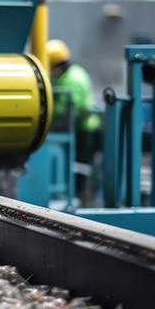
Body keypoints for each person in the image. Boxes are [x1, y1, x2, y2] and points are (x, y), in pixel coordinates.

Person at [47, 39, 101, 203]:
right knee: (76, 166)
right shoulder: (66, 75)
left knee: (81, 167)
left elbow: (73, 110)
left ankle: (80, 198)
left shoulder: (73, 78)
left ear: (57, 67)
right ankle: (77, 196)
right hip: (74, 129)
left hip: (84, 131)